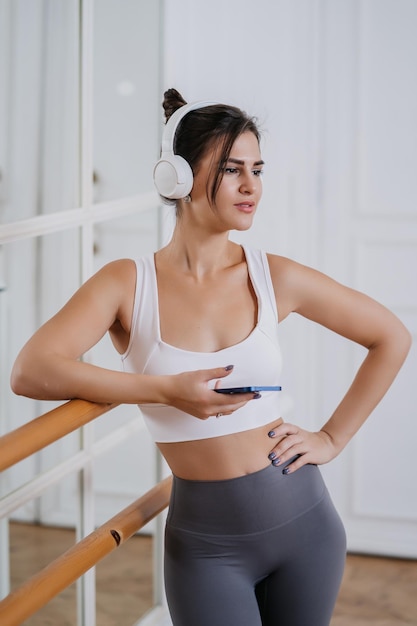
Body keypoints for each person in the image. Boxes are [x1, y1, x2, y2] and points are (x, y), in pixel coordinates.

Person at [11, 88, 411, 626]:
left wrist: (331, 438)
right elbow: (31, 370)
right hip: (207, 550)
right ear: (177, 177)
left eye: (258, 169)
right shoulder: (128, 285)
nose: (252, 187)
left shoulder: (275, 276)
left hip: (306, 526)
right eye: (230, 170)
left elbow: (391, 336)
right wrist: (163, 390)